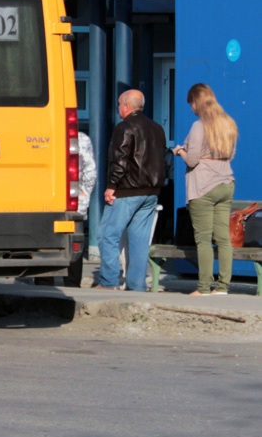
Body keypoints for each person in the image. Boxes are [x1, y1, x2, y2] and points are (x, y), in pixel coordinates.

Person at [98, 89, 167, 292]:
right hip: (151, 192)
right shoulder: (157, 128)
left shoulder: (124, 127)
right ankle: (137, 285)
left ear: (127, 106)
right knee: (139, 240)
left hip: (127, 190)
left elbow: (119, 160)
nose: (118, 108)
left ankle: (109, 281)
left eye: (120, 104)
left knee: (108, 235)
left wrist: (111, 186)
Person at [172, 83, 237, 296]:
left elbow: (192, 160)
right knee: (223, 239)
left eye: (191, 102)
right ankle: (223, 287)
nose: (190, 107)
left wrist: (181, 150)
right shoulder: (229, 124)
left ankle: (203, 288)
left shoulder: (199, 126)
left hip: (203, 186)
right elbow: (231, 155)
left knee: (203, 239)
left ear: (196, 101)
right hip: (226, 182)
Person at [65, 131, 97, 288]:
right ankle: (72, 283)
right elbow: (90, 168)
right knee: (74, 241)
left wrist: (84, 193)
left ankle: (44, 282)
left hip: (68, 199)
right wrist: (84, 194)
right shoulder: (81, 138)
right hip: (74, 200)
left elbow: (90, 169)